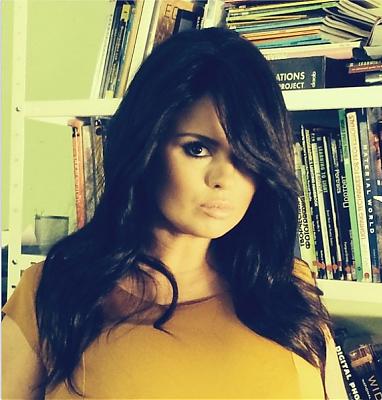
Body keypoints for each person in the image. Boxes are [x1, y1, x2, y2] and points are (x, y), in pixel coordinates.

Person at [2, 27, 346, 399]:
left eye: (247, 156)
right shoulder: (55, 292)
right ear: (146, 146)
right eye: (198, 149)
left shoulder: (287, 291)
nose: (224, 179)